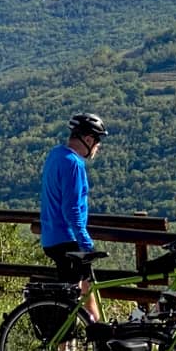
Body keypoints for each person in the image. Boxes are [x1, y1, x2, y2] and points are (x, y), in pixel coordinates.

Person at [40, 112, 107, 323]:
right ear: (88, 140)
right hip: (68, 239)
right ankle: (101, 344)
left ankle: (71, 347)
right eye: (97, 142)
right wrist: (86, 243)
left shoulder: (56, 155)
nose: (97, 147)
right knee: (83, 293)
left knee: (74, 294)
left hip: (51, 237)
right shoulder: (74, 164)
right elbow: (72, 209)